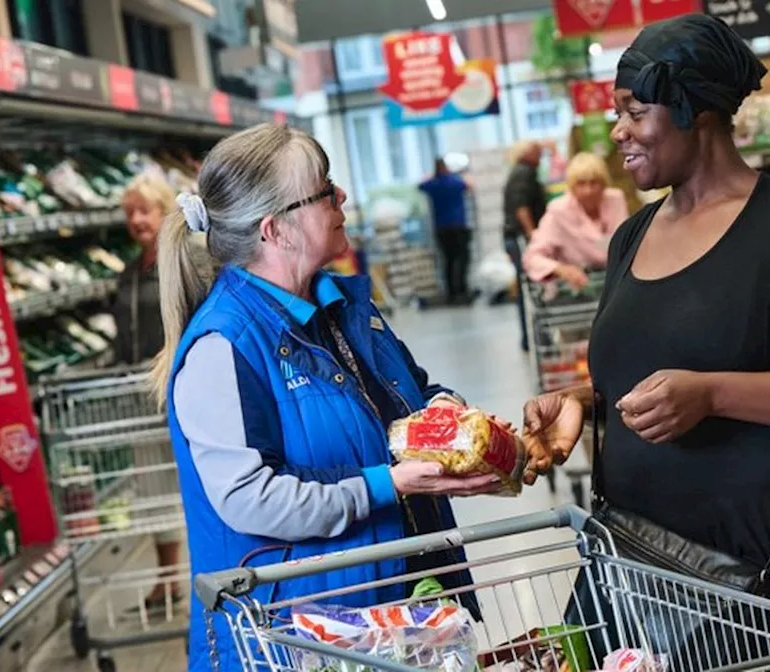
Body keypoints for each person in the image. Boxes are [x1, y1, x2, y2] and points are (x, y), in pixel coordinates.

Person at [521, 15, 770, 672]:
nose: (619, 132)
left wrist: (713, 394)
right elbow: (648, 369)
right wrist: (585, 401)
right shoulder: (631, 238)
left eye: (636, 112)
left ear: (694, 109)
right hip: (648, 575)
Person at [154, 124, 519, 670]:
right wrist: (388, 484)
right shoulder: (222, 346)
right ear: (276, 230)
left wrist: (447, 415)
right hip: (294, 640)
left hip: (390, 617)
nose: (341, 196)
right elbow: (250, 499)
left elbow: (414, 394)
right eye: (324, 189)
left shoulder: (344, 307)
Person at [111, 172, 182, 608]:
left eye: (145, 210)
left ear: (164, 210)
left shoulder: (181, 262)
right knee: (153, 490)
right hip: (139, 396)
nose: (137, 219)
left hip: (177, 389)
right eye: (130, 212)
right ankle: (168, 577)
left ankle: (203, 574)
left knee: (191, 483)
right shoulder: (130, 274)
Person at [522, 152, 628, 289]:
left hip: (617, 282)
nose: (588, 191)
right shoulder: (559, 211)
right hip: (578, 289)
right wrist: (561, 269)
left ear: (604, 183)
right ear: (571, 186)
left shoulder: (615, 199)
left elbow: (623, 242)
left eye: (594, 182)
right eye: (581, 184)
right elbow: (532, 258)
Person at [502, 140, 547, 351]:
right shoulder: (524, 173)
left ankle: (529, 338)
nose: (541, 155)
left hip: (514, 236)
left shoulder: (518, 171)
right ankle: (531, 339)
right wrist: (533, 234)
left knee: (525, 289)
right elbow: (521, 208)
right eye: (537, 151)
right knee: (529, 289)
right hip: (520, 237)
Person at [418, 158, 473, 303]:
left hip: (441, 228)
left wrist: (431, 176)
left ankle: (451, 293)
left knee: (447, 260)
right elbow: (468, 186)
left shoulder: (433, 184)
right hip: (458, 225)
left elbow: (420, 186)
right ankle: (462, 290)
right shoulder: (455, 181)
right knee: (462, 259)